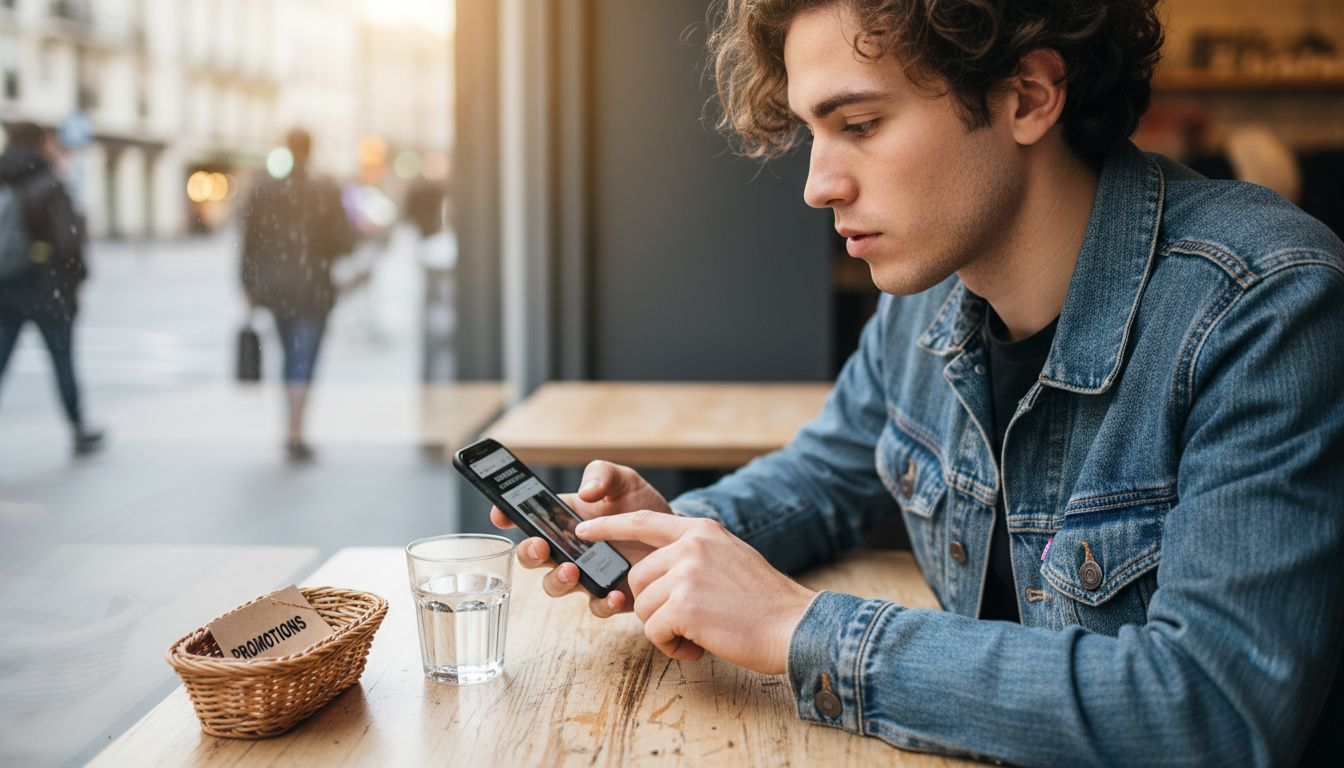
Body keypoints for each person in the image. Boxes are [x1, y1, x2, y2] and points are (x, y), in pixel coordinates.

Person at [491, 1, 1344, 764]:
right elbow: (827, 476)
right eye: (812, 134)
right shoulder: (931, 295)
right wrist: (677, 540)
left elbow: (1214, 711)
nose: (818, 185)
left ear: (1028, 97)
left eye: (858, 123)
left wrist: (794, 626)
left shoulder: (1265, 304)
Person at [240, 128, 356, 461]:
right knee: (305, 358)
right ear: (311, 149)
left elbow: (250, 240)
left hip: (277, 289)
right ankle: (297, 430)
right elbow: (344, 241)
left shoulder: (265, 189)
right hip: (313, 287)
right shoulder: (326, 189)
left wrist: (248, 285)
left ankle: (290, 428)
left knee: (290, 355)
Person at [0, 122, 103, 455]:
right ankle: (78, 428)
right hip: (49, 289)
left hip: (7, 287)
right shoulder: (50, 183)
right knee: (62, 360)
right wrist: (76, 282)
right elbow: (68, 243)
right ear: (41, 143)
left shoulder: (4, 178)